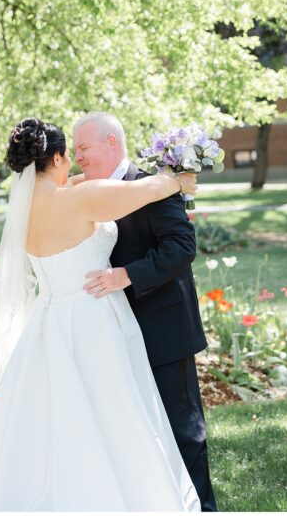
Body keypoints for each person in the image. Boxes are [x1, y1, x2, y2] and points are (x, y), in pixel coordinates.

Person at [0, 118, 201, 511]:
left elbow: (75, 185)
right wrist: (178, 179)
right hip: (94, 321)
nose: (77, 166)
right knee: (115, 416)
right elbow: (148, 188)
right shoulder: (80, 198)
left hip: (49, 323)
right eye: (71, 157)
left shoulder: (26, 210)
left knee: (54, 421)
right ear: (58, 157)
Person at [72, 112, 216, 511]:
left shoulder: (152, 186)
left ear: (111, 143)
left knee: (183, 431)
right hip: (114, 332)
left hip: (164, 329)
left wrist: (126, 275)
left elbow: (181, 248)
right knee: (139, 433)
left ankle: (202, 508)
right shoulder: (88, 191)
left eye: (84, 147)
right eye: (76, 149)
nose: (78, 155)